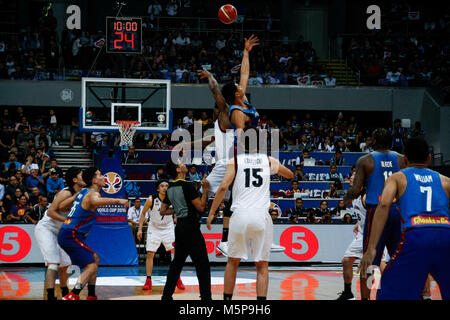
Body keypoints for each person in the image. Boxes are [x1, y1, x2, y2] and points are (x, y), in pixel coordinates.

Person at [197, 34, 284, 256]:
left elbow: (244, 74)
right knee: (234, 198)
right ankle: (224, 240)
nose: (241, 84)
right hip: (236, 157)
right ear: (235, 94)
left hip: (246, 154)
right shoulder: (233, 112)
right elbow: (218, 95)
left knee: (257, 196)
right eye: (237, 86)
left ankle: (260, 238)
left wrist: (246, 52)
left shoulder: (243, 100)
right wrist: (211, 78)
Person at [206, 127, 294, 300]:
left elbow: (223, 187)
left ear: (242, 144)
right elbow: (290, 175)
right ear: (261, 144)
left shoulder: (235, 161)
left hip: (239, 216)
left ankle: (227, 302)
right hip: (261, 217)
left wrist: (212, 212)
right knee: (262, 266)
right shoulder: (268, 160)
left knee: (232, 262)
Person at [361, 136, 450, 300]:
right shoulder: (445, 181)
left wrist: (371, 247)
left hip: (414, 234)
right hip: (445, 235)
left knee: (385, 285)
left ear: (405, 159)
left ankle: (366, 297)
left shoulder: (397, 177)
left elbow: (383, 205)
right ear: (429, 158)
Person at [343, 128, 405, 300]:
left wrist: (345, 199)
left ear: (373, 141)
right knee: (397, 258)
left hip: (377, 211)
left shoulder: (366, 160)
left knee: (369, 261)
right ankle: (391, 293)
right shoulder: (401, 159)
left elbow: (356, 190)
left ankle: (366, 298)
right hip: (397, 211)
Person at [57, 167, 129, 300]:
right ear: (94, 180)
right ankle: (73, 295)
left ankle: (91, 295)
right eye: (100, 175)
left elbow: (61, 206)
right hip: (71, 234)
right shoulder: (93, 194)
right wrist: (119, 200)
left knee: (95, 258)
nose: (104, 177)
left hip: (67, 233)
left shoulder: (83, 191)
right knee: (91, 266)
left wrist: (75, 198)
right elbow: (95, 201)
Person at [159, 159, 211, 301]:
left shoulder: (169, 187)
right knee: (203, 264)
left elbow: (162, 211)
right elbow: (200, 207)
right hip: (191, 227)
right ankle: (206, 298)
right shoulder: (187, 186)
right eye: (181, 163)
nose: (184, 164)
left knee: (177, 264)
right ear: (178, 170)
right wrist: (205, 190)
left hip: (180, 227)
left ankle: (166, 296)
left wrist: (178, 208)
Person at [34, 167, 85, 300]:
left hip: (60, 232)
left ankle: (64, 293)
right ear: (75, 180)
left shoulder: (82, 194)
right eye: (81, 175)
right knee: (53, 263)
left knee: (65, 265)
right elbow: (51, 212)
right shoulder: (66, 193)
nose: (84, 176)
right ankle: (50, 296)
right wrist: (68, 221)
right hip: (47, 228)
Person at [137, 179, 185, 291]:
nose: (164, 188)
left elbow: (178, 213)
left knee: (176, 253)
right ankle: (148, 280)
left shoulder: (173, 199)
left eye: (167, 186)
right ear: (158, 189)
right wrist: (140, 229)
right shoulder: (151, 199)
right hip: (154, 227)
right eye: (162, 186)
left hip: (168, 227)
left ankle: (177, 278)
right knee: (150, 253)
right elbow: (143, 213)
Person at [337, 178, 366, 300]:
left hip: (374, 233)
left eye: (355, 177)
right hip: (362, 232)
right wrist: (359, 223)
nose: (351, 179)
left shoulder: (366, 196)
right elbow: (363, 214)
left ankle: (389, 292)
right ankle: (348, 293)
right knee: (346, 261)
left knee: (374, 266)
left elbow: (378, 215)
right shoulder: (354, 194)